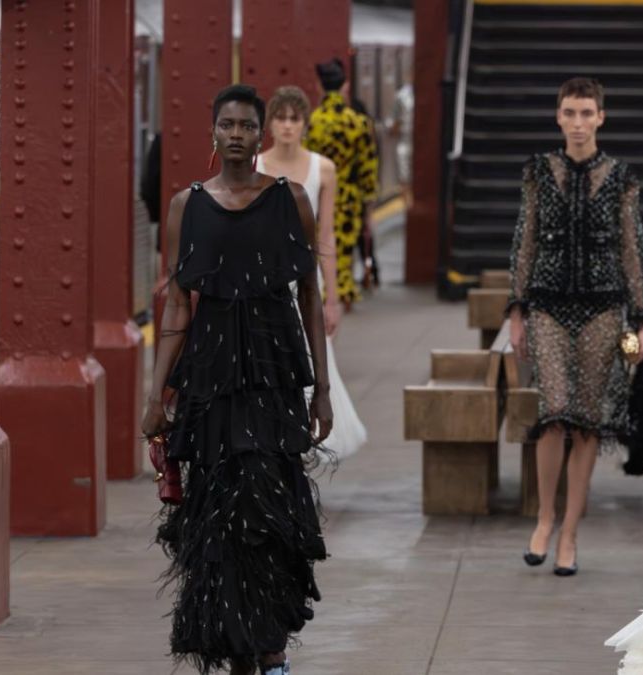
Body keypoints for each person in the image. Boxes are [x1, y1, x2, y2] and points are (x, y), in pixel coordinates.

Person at [141, 83, 334, 675]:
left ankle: (270, 647)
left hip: (273, 375)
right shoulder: (187, 205)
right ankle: (239, 653)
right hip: (211, 379)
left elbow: (309, 295)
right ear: (213, 132)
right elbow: (178, 305)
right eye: (226, 124)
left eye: (246, 126)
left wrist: (322, 390)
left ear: (259, 135)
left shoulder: (290, 199)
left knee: (268, 506)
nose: (236, 134)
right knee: (218, 512)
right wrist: (155, 395)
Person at [508, 77, 643, 577]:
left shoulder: (621, 177)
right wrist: (517, 310)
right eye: (570, 113)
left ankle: (569, 531)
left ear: (601, 117)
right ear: (558, 116)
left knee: (587, 422)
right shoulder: (539, 172)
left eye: (587, 113)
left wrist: (641, 319)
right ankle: (545, 517)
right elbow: (525, 240)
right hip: (547, 305)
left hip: (604, 309)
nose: (578, 123)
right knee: (554, 413)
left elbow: (632, 249)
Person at [258, 85, 368, 459]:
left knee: (313, 355)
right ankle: (277, 435)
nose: (288, 125)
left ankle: (310, 438)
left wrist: (333, 298)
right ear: (270, 124)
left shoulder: (324, 169)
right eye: (281, 118)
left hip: (306, 279)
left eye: (295, 118)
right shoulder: (256, 167)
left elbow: (326, 236)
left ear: (305, 123)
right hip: (265, 278)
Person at [304, 58, 379, 307]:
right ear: (344, 85)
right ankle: (342, 294)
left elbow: (303, 161)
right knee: (343, 247)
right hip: (348, 194)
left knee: (320, 244)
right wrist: (369, 203)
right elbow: (368, 167)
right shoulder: (359, 123)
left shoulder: (312, 123)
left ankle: (322, 292)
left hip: (317, 194)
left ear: (319, 86)